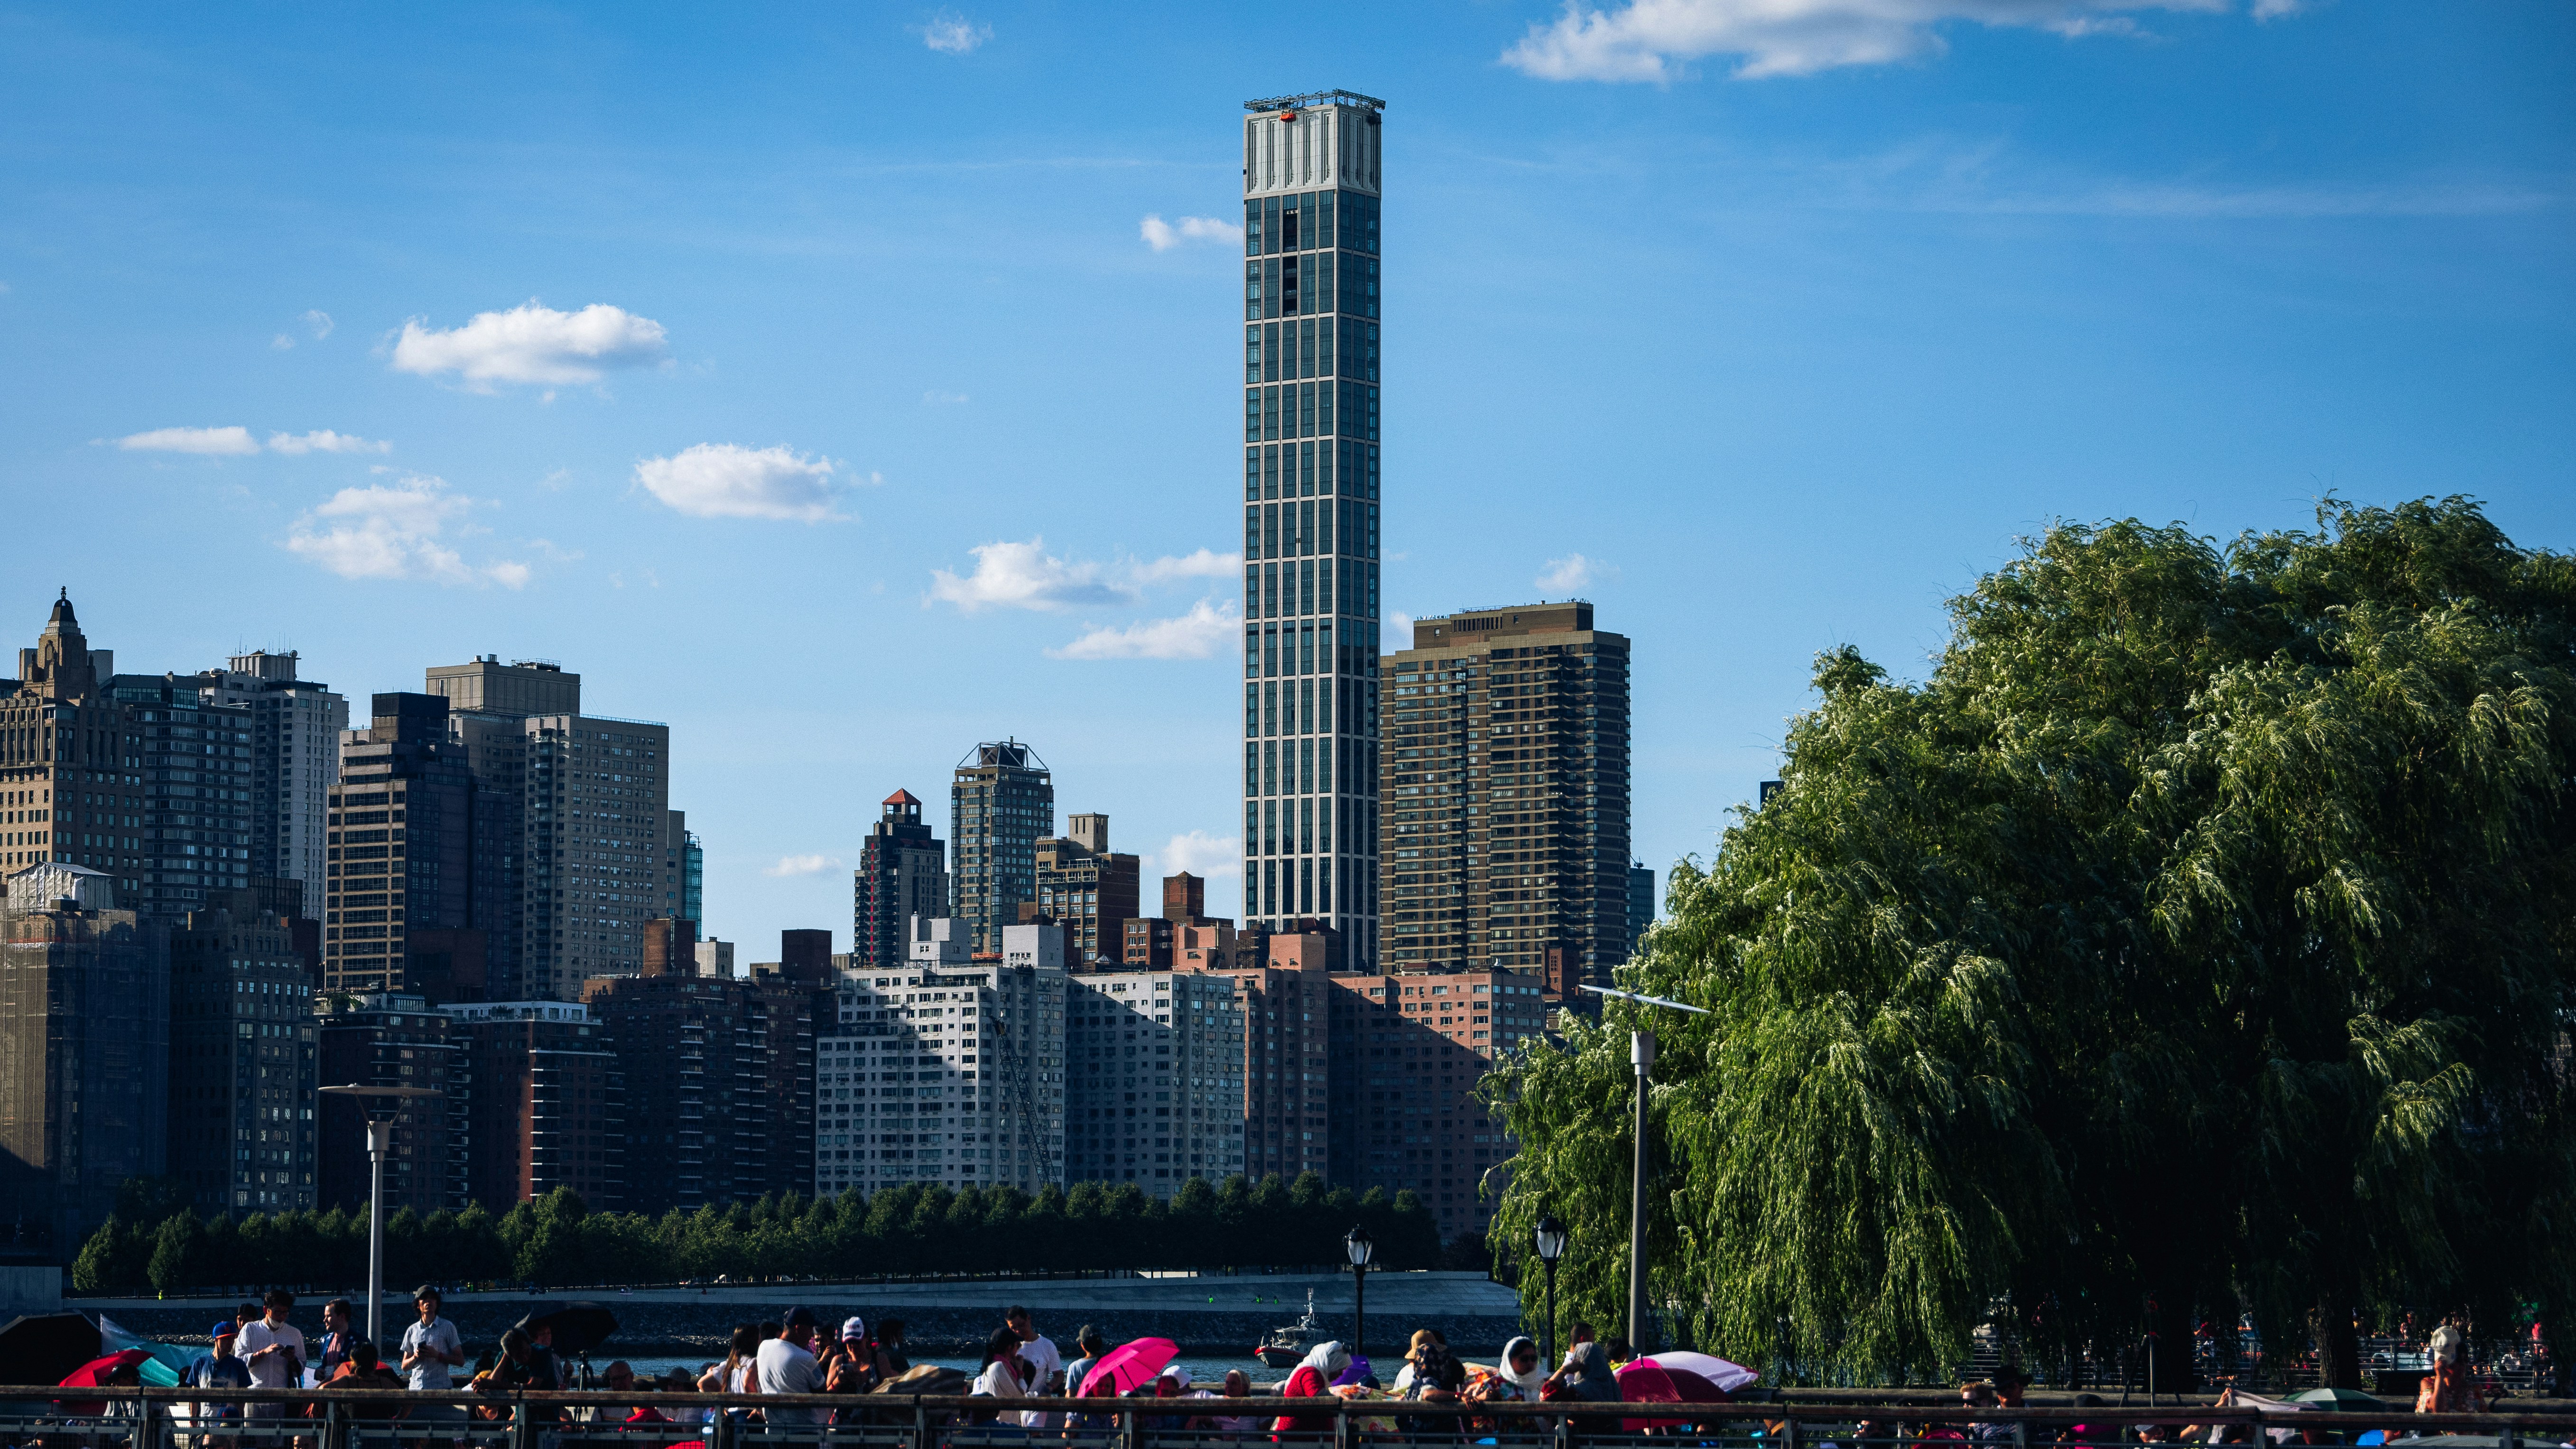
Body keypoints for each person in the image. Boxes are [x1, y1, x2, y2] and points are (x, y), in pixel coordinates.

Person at [237, 1290, 307, 1424]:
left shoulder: (294, 1333)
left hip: (282, 1399)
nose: (281, 1317)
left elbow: (301, 1368)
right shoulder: (250, 1329)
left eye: (285, 1312)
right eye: (277, 1312)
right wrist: (263, 1353)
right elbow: (239, 1361)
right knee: (253, 1442)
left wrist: (292, 1359)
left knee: (280, 1443)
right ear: (266, 1310)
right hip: (254, 1397)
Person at [401, 1286, 468, 1424]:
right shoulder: (411, 1330)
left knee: (440, 1435)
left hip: (441, 1391)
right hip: (416, 1391)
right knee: (416, 1437)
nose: (428, 1302)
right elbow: (404, 1367)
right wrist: (415, 1357)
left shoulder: (448, 1327)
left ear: (437, 1303)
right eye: (424, 1298)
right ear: (418, 1305)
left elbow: (461, 1361)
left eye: (432, 1298)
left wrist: (437, 1355)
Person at [183, 1320, 253, 1445]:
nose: (230, 1343)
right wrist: (193, 1419)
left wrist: (238, 1421)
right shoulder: (200, 1363)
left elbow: (242, 1399)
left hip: (229, 1423)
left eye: (232, 1339)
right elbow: (194, 1394)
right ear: (216, 1339)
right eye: (225, 1339)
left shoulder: (239, 1365)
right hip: (206, 1422)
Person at [755, 1307, 825, 1427]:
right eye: (810, 1329)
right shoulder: (806, 1358)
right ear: (799, 1329)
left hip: (773, 1429)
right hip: (803, 1430)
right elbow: (822, 1391)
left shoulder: (763, 1347)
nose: (812, 1336)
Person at [1275, 1341, 1351, 1436]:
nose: (1341, 1374)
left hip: (1305, 1434)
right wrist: (1342, 1395)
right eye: (1339, 1369)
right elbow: (1316, 1396)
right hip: (1297, 1437)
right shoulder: (1310, 1373)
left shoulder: (1314, 1372)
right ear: (1331, 1364)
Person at [969, 1326, 1030, 1426]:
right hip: (1002, 1427)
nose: (1018, 1350)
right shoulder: (999, 1367)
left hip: (997, 1425)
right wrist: (1020, 1372)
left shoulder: (991, 1365)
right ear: (1009, 1348)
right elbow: (1020, 1395)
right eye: (1017, 1346)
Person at [1005, 1307, 1063, 1404]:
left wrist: (1049, 1388)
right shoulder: (1008, 1347)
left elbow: (1059, 1375)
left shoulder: (1047, 1345)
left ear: (1028, 1319)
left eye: (1021, 1325)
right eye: (1014, 1328)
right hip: (1013, 1403)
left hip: (1036, 1404)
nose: (1018, 1331)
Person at [1062, 1326, 1110, 1402]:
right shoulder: (1109, 1365)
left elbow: (1070, 1395)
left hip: (1081, 1412)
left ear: (1082, 1345)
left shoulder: (1075, 1367)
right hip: (1104, 1412)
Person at [315, 1300, 357, 1382]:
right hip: (328, 1392)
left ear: (342, 1316)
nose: (325, 1320)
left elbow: (366, 1370)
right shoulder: (325, 1340)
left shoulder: (360, 1342)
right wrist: (318, 1371)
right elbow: (324, 1365)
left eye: (329, 1316)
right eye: (325, 1316)